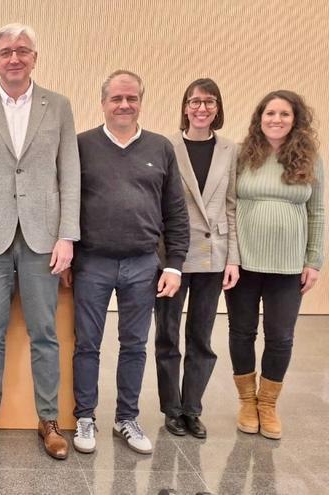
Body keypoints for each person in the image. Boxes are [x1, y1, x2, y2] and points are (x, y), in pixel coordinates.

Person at [0, 23, 79, 460]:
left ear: (34, 58)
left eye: (23, 50)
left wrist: (67, 237)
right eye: (5, 51)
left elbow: (71, 175)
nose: (14, 58)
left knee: (45, 333)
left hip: (44, 238)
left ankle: (49, 419)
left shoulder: (58, 106)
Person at [71, 70, 189, 455]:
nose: (124, 105)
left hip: (142, 264)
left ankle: (126, 417)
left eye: (131, 98)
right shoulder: (81, 145)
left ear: (141, 101)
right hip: (92, 262)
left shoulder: (160, 148)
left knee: (134, 345)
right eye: (116, 98)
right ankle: (85, 416)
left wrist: (174, 264)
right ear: (103, 102)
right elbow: (66, 203)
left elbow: (175, 210)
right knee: (87, 344)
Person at [227, 90, 324, 440]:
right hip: (244, 264)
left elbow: (318, 211)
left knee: (280, 337)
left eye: (284, 114)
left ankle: (267, 405)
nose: (276, 119)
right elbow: (229, 206)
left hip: (288, 267)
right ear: (259, 117)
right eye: (270, 113)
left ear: (295, 119)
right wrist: (230, 257)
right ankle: (246, 402)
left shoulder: (311, 159)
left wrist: (314, 260)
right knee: (241, 332)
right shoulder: (242, 155)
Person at [154, 78, 239, 439]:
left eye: (209, 102)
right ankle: (171, 409)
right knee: (168, 335)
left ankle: (193, 409)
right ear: (185, 106)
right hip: (173, 255)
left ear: (218, 108)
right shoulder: (166, 146)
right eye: (194, 101)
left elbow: (232, 207)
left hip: (212, 255)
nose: (201, 108)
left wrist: (232, 258)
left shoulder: (230, 150)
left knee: (202, 336)